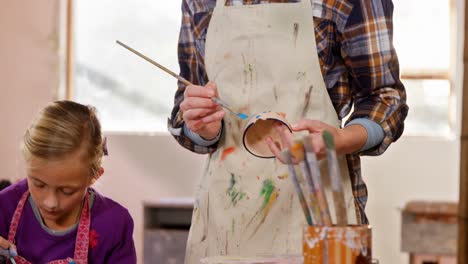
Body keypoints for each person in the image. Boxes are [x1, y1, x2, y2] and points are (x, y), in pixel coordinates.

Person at [168, 0, 408, 262]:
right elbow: (186, 104)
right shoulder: (199, 3)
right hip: (227, 220)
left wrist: (341, 139)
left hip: (319, 211)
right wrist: (203, 126)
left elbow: (384, 98)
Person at [0, 100, 137, 263]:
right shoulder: (4, 207)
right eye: (39, 184)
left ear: (94, 177)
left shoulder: (114, 225)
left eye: (67, 191)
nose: (50, 203)